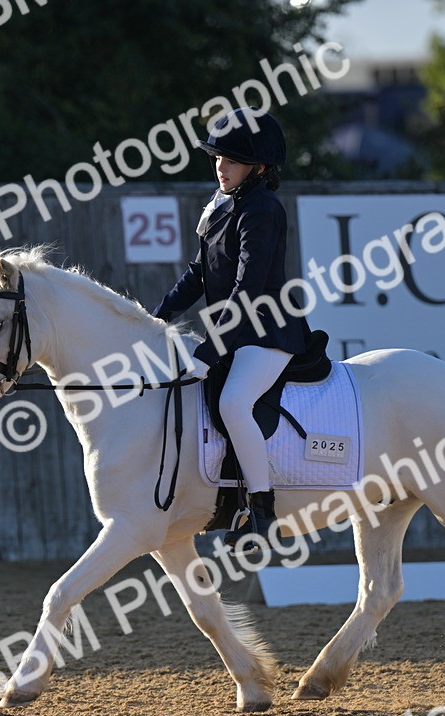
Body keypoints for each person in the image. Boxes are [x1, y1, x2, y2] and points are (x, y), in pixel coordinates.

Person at [152, 107, 313, 549]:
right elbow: (197, 274)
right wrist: (154, 320)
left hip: (268, 331)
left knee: (234, 403)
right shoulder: (223, 203)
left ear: (258, 168)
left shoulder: (263, 209)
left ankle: (261, 510)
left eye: (232, 161)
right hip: (236, 331)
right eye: (217, 158)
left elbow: (248, 288)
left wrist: (210, 349)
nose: (220, 167)